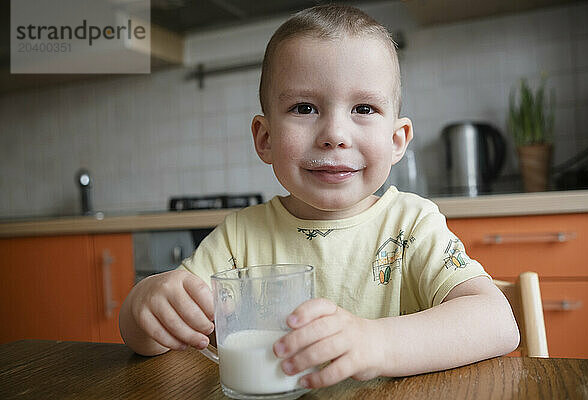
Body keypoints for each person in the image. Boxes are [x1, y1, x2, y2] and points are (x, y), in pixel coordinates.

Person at [119, 4, 519, 389]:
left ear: (397, 141)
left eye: (363, 107)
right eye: (305, 107)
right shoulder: (240, 238)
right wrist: (145, 305)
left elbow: (498, 322)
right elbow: (153, 338)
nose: (335, 134)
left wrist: (374, 343)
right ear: (265, 138)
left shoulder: (412, 225)